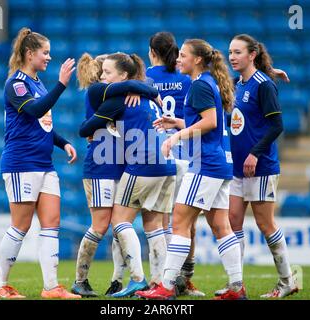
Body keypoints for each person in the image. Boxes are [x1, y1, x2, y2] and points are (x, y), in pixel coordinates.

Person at [137, 39, 246, 300]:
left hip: (204, 163)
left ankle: (166, 286)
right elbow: (207, 121)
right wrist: (177, 122)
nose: (178, 59)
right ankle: (236, 288)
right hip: (219, 163)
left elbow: (209, 122)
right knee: (221, 226)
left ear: (197, 60)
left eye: (183, 55)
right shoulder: (207, 82)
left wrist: (177, 136)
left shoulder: (199, 85)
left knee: (179, 223)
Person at [0, 28, 80, 299]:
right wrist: (62, 84)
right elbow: (33, 110)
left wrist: (63, 142)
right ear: (30, 53)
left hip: (44, 164)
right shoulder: (16, 83)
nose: (49, 57)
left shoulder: (38, 82)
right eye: (45, 52)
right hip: (21, 163)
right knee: (21, 225)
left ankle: (51, 287)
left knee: (52, 222)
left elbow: (42, 124)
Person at [79, 52, 176, 298]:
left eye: (107, 73)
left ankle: (134, 280)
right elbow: (86, 128)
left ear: (122, 75)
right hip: (109, 167)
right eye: (102, 73)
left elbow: (86, 128)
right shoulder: (99, 91)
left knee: (120, 223)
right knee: (117, 225)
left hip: (131, 164)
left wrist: (143, 90)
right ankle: (158, 284)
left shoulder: (125, 96)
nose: (103, 77)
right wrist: (148, 91)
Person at [215, 34, 298, 299]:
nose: (232, 57)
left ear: (252, 55)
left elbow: (277, 126)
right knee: (233, 221)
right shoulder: (237, 84)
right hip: (238, 168)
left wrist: (254, 154)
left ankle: (287, 281)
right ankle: (237, 285)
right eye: (230, 52)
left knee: (266, 225)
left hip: (260, 167)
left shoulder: (263, 85)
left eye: (238, 52)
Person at [146, 31, 204, 297]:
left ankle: (162, 280)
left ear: (152, 52)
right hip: (189, 151)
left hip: (157, 152)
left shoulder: (144, 78)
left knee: (164, 220)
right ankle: (184, 278)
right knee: (187, 221)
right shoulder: (186, 77)